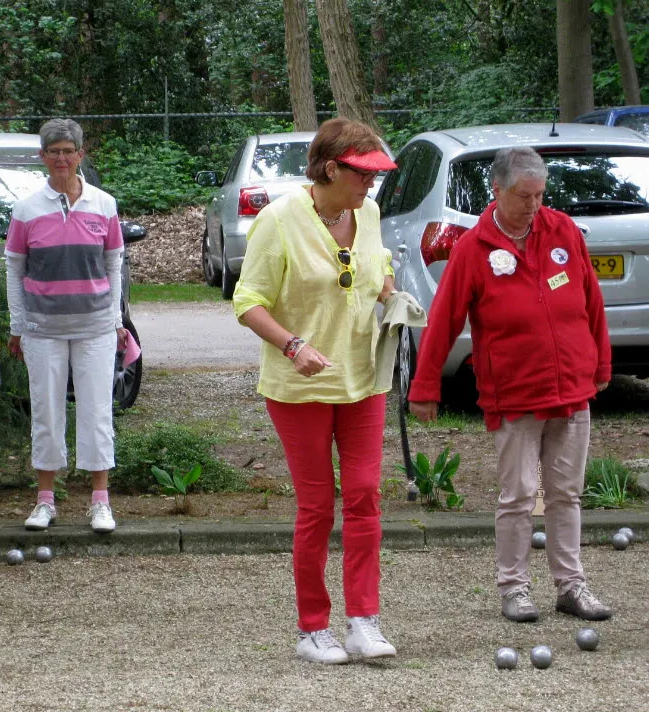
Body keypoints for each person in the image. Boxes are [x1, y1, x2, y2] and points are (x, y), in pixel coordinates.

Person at [409, 146, 613, 624]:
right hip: (515, 394)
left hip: (571, 389)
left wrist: (601, 365)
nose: (534, 206)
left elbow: (591, 302)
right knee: (518, 496)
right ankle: (514, 589)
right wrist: (425, 386)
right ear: (497, 190)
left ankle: (571, 585)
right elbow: (443, 319)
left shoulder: (561, 230)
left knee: (566, 492)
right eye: (525, 196)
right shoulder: (473, 247)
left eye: (540, 195)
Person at [232, 117, 400, 664]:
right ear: (332, 168)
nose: (371, 184)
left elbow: (378, 272)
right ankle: (312, 629)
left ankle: (363, 621)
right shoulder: (279, 220)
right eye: (364, 174)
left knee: (365, 495)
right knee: (317, 507)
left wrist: (393, 298)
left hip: (362, 379)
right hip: (298, 385)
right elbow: (248, 301)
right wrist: (292, 345)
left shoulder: (368, 212)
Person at [5, 119, 126, 535]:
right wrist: (17, 325)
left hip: (94, 326)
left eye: (67, 151)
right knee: (46, 411)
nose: (61, 158)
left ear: (80, 155)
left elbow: (114, 263)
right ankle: (45, 500)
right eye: (53, 151)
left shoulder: (103, 204)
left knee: (96, 411)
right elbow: (14, 268)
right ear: (42, 157)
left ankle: (100, 501)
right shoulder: (26, 209)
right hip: (42, 327)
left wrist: (115, 322)